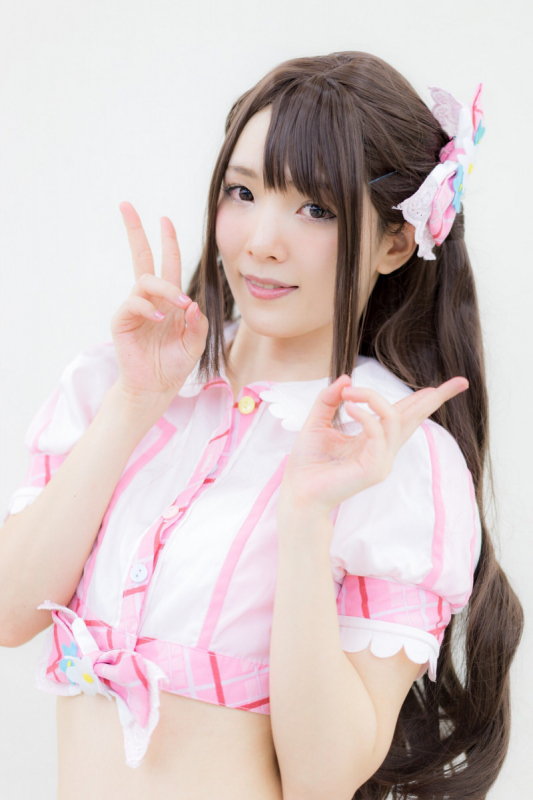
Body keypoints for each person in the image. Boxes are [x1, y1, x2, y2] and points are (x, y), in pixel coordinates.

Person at [0, 50, 523, 800]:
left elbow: (322, 779)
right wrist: (137, 400)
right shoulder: (119, 383)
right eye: (242, 192)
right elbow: (10, 612)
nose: (261, 241)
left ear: (395, 242)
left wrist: (306, 516)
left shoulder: (393, 453)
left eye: (317, 209)